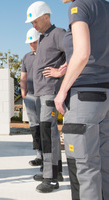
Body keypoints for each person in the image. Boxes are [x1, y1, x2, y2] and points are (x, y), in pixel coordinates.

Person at [54, 0, 109, 199]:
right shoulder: (104, 6)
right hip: (105, 96)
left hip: (84, 98)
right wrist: (70, 63)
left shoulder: (79, 6)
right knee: (104, 164)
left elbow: (83, 53)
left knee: (83, 166)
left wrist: (62, 90)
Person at [25, 1, 66, 193]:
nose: (33, 25)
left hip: (50, 91)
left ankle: (50, 178)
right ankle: (55, 171)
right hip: (41, 93)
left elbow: (75, 53)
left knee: (47, 134)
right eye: (31, 22)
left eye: (35, 21)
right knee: (51, 133)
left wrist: (60, 71)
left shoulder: (58, 33)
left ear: (46, 17)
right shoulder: (42, 37)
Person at [21, 28, 42, 168]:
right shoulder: (26, 57)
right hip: (30, 96)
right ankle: (39, 156)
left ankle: (49, 158)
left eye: (34, 42)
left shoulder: (46, 55)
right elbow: (23, 76)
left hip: (44, 95)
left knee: (45, 126)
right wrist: (23, 93)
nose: (32, 45)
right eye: (30, 43)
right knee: (35, 127)